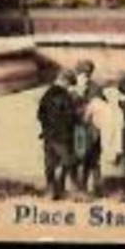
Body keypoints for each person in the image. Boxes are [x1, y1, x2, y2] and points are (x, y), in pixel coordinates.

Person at [37, 70, 78, 199]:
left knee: (50, 162)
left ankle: (50, 190)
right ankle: (60, 188)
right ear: (64, 81)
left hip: (48, 134)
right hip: (62, 135)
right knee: (68, 160)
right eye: (69, 84)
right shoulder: (64, 95)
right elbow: (70, 116)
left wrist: (46, 127)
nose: (69, 86)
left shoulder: (47, 94)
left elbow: (40, 115)